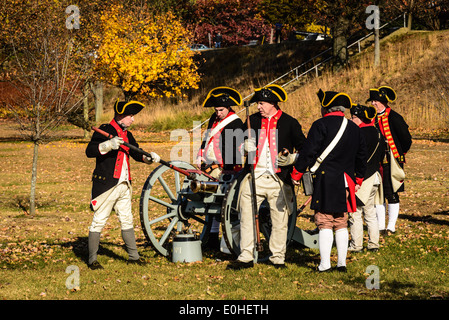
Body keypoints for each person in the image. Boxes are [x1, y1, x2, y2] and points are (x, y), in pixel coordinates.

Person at [227, 84, 306, 270]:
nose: (258, 107)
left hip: (279, 179)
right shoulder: (251, 120)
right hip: (253, 177)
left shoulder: (290, 122)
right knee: (246, 217)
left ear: (272, 103)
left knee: (279, 219)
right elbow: (236, 144)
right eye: (258, 104)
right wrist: (243, 147)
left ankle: (277, 257)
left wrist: (293, 159)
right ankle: (246, 256)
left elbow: (304, 148)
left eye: (261, 103)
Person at [291, 89, 367, 272]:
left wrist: (297, 173)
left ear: (326, 108)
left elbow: (308, 152)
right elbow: (361, 155)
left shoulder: (320, 125)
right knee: (341, 221)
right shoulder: (354, 128)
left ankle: (324, 264)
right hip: (346, 181)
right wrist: (358, 178)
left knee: (324, 221)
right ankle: (341, 263)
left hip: (325, 180)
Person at [85, 99, 160, 270]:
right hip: (107, 184)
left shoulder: (128, 135)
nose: (132, 120)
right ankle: (92, 260)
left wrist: (149, 158)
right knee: (99, 221)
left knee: (127, 220)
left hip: (124, 183)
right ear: (120, 116)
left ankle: (134, 257)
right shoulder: (104, 130)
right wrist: (108, 145)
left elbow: (136, 153)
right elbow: (90, 151)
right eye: (130, 116)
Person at [196, 87, 244, 250]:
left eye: (221, 110)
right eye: (216, 110)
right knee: (211, 201)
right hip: (211, 167)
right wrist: (200, 154)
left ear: (229, 108)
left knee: (221, 202)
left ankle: (223, 238)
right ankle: (212, 236)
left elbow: (235, 149)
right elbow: (206, 137)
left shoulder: (236, 123)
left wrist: (226, 170)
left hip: (227, 168)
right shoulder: (213, 119)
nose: (218, 113)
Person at [367, 86, 412, 235]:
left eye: (375, 101)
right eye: (372, 101)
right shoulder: (372, 118)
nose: (373, 103)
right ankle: (380, 226)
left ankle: (391, 226)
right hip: (376, 161)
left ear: (382, 102)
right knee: (378, 193)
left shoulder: (394, 117)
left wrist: (399, 153)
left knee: (391, 192)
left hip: (391, 160)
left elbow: (406, 139)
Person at [348, 104, 385, 252]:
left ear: (361, 118)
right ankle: (373, 244)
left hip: (363, 178)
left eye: (354, 117)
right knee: (370, 212)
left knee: (355, 212)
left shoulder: (358, 133)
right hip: (375, 176)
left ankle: (356, 246)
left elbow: (355, 157)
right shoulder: (377, 133)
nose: (351, 119)